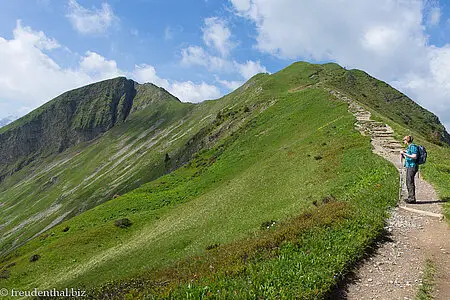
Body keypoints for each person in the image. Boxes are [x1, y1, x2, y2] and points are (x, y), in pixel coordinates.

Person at [400, 135, 418, 203]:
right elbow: (409, 157)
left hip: (412, 166)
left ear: (407, 140)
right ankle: (411, 197)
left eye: (404, 139)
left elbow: (414, 156)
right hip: (410, 166)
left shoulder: (412, 147)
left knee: (409, 182)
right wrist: (404, 154)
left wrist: (405, 154)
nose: (403, 141)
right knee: (409, 181)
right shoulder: (410, 147)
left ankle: (412, 199)